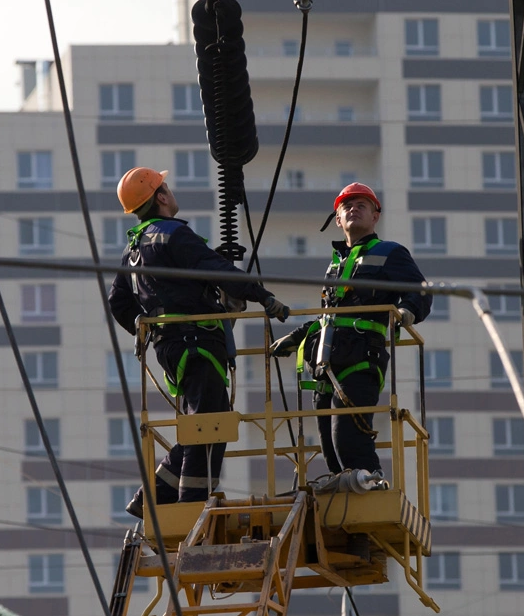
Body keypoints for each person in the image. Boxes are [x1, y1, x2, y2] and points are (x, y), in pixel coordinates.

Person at [108, 167, 290, 518]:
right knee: (207, 425)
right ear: (161, 197)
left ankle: (154, 494)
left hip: (172, 345)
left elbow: (118, 300)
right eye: (166, 187)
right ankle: (191, 505)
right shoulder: (173, 234)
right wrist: (262, 296)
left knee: (211, 421)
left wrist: (141, 325)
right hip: (196, 342)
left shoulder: (134, 247)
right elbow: (215, 269)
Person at [270, 182, 431, 487]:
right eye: (347, 206)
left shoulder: (390, 252)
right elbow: (330, 315)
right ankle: (347, 491)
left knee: (347, 437)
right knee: (330, 449)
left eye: (361, 205)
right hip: (326, 361)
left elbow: (419, 290)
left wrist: (407, 311)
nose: (353, 209)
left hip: (361, 356)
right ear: (338, 219)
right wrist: (297, 337)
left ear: (375, 217)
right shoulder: (336, 265)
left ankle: (371, 485)